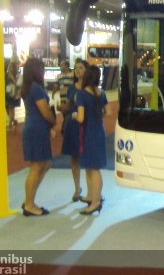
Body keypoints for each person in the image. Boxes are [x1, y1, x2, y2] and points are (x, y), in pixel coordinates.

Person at [20, 57, 56, 216]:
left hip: (34, 128)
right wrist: (53, 121)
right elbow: (45, 112)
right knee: (36, 166)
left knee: (45, 163)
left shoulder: (29, 87)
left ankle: (29, 198)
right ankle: (29, 204)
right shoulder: (36, 89)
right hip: (36, 129)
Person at [73, 65, 111, 215]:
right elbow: (109, 111)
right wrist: (97, 117)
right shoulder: (101, 93)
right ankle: (94, 196)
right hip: (99, 132)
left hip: (88, 133)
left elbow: (81, 117)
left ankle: (95, 202)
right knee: (93, 167)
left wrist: (75, 116)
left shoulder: (82, 94)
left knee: (92, 169)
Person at [60, 58, 88, 202]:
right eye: (76, 68)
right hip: (73, 124)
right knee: (74, 157)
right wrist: (63, 108)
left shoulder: (91, 88)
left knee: (89, 158)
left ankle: (92, 190)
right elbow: (69, 106)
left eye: (81, 67)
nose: (77, 70)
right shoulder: (71, 89)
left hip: (86, 125)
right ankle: (77, 188)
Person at [5, 61, 20, 128]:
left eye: (12, 67)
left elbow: (17, 83)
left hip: (13, 93)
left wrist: (11, 77)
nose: (10, 68)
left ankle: (10, 124)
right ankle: (13, 120)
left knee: (11, 108)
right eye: (9, 67)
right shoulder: (6, 74)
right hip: (7, 93)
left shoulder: (17, 75)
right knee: (7, 108)